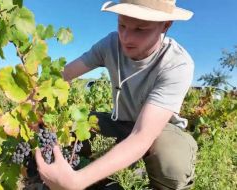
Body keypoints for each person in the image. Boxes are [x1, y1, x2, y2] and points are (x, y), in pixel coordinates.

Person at [35, 0, 198, 189]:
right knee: (68, 127)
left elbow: (142, 135)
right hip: (120, 124)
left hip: (159, 132)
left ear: (166, 25)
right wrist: (34, 100)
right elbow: (65, 75)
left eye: (140, 29)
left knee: (171, 161)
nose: (126, 37)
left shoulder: (177, 64)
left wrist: (77, 182)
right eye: (122, 25)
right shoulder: (111, 44)